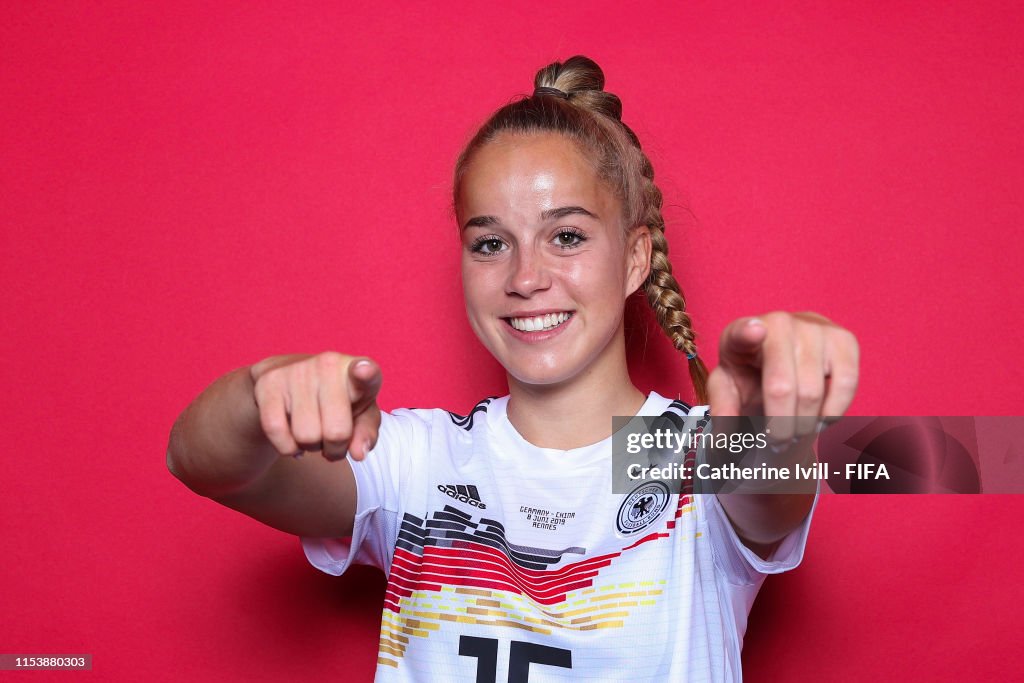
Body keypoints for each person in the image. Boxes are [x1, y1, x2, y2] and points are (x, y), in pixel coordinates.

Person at [167, 55, 859, 682]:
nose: (526, 276)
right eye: (491, 242)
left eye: (567, 235)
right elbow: (205, 462)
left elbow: (773, 478)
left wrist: (785, 406)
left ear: (636, 259)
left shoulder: (691, 454)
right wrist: (260, 392)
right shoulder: (417, 461)